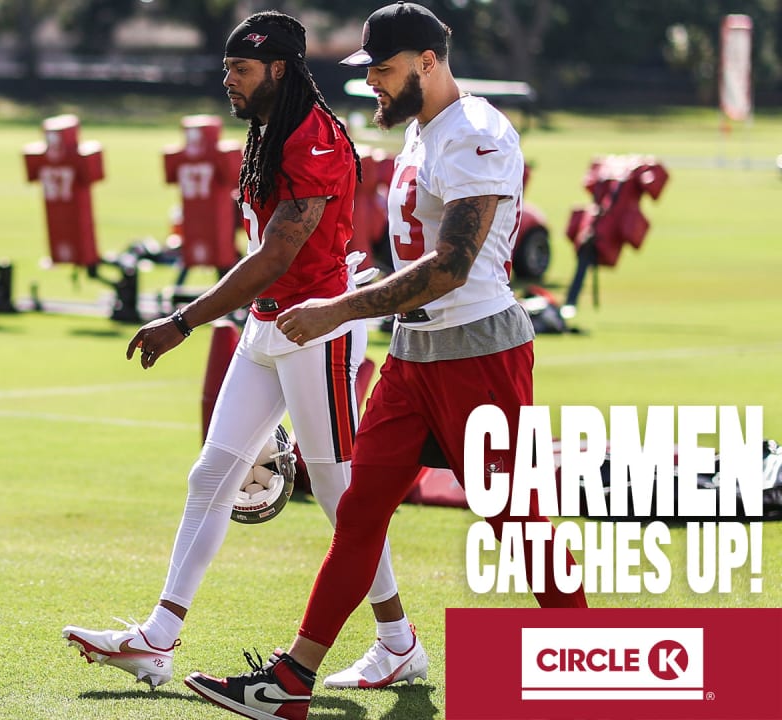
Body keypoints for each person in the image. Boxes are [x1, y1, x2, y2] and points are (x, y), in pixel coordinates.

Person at [185, 3, 589, 718]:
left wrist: (337, 310)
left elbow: (453, 266)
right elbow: (413, 254)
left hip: (476, 354)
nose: (370, 82)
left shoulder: (478, 134)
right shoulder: (421, 132)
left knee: (517, 525)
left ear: (428, 62)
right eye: (368, 68)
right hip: (414, 352)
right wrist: (360, 284)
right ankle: (292, 683)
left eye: (383, 68)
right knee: (360, 514)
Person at [61, 10, 428, 691]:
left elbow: (280, 250)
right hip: (268, 325)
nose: (226, 79)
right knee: (213, 473)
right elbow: (270, 258)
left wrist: (186, 319)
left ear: (279, 71)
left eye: (240, 69)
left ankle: (398, 642)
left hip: (315, 326)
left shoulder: (312, 135)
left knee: (341, 495)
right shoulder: (272, 128)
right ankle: (157, 638)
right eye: (227, 67)